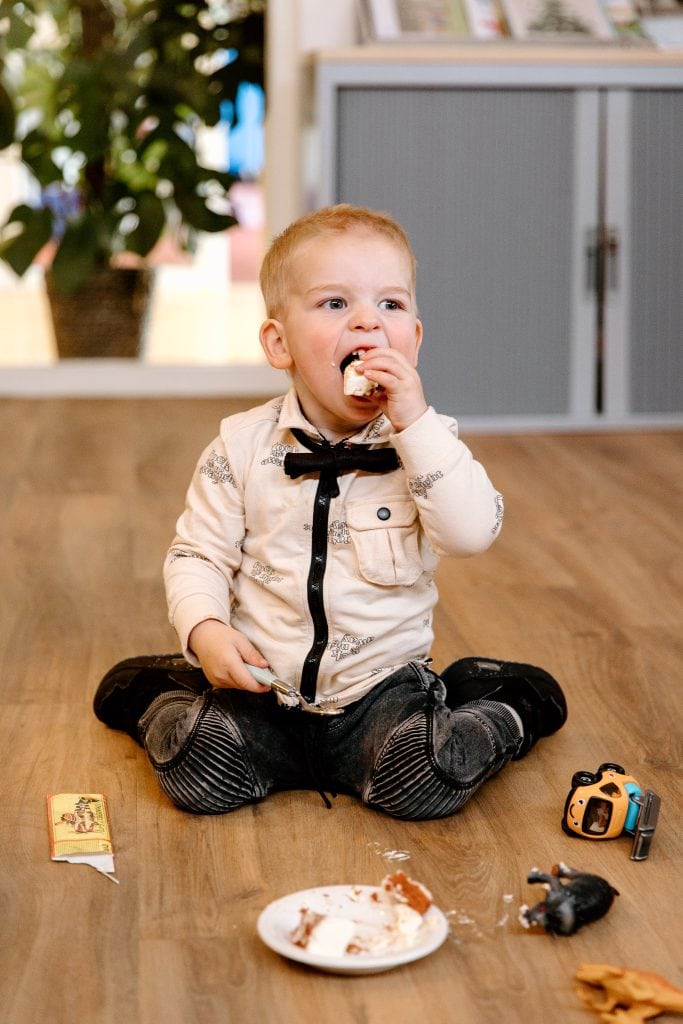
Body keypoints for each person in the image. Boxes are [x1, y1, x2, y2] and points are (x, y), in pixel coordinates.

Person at [94, 204, 566, 819]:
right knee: (198, 776)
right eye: (336, 304)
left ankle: (501, 702)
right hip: (265, 691)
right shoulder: (238, 447)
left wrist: (416, 425)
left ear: (415, 340)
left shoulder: (429, 445)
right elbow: (197, 554)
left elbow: (473, 533)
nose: (369, 323)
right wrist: (204, 629)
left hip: (379, 696)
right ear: (279, 342)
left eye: (391, 306)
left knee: (426, 781)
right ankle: (162, 693)